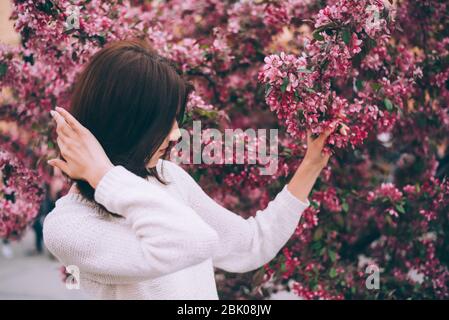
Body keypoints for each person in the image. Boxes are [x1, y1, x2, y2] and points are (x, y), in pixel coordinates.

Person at [43, 39, 341, 300]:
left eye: (176, 119)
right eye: (164, 122)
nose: (175, 135)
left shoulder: (168, 178)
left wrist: (311, 164)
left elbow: (250, 245)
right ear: (127, 123)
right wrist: (104, 176)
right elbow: (191, 242)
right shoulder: (69, 226)